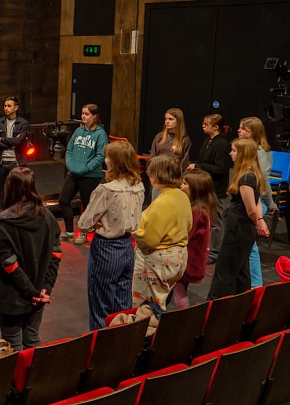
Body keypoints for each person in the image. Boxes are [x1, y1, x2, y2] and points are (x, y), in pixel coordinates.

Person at [0, 166, 62, 351]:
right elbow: (55, 255)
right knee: (32, 341)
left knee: (12, 346)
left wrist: (31, 292)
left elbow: (9, 264)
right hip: (39, 293)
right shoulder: (48, 217)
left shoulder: (5, 222)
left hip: (12, 297)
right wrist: (44, 289)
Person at [77, 140, 144, 330]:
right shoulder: (139, 187)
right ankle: (122, 343)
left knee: (101, 305)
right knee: (123, 304)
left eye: (107, 157)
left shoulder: (106, 190)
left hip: (106, 249)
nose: (105, 160)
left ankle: (101, 345)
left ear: (115, 162)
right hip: (127, 247)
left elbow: (83, 223)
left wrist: (95, 224)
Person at [209, 138, 271, 299]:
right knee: (241, 269)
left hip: (239, 226)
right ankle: (241, 301)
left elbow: (251, 209)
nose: (231, 153)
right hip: (243, 226)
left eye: (234, 151)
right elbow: (256, 202)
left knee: (225, 268)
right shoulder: (252, 174)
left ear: (243, 154)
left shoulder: (245, 178)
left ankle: (215, 304)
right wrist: (259, 221)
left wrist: (258, 222)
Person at [132, 154, 192, 308]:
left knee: (146, 308)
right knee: (159, 303)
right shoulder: (182, 196)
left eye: (151, 173)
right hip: (178, 257)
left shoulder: (163, 202)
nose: (149, 176)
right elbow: (188, 225)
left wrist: (133, 229)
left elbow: (149, 239)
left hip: (159, 261)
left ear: (158, 175)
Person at [59, 104, 109, 245]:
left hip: (90, 175)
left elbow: (100, 156)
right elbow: (69, 149)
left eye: (87, 114)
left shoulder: (100, 134)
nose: (83, 116)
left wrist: (86, 168)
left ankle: (83, 232)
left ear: (94, 116)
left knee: (86, 205)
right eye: (82, 113)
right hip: (73, 172)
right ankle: (69, 232)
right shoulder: (78, 131)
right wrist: (70, 164)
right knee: (63, 200)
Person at [170, 170, 219, 309]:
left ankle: (184, 317)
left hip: (188, 260)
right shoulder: (203, 208)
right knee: (178, 290)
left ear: (196, 189)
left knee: (179, 291)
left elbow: (185, 234)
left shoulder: (196, 211)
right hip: (193, 259)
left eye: (185, 183)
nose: (181, 186)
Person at [187, 114, 231, 263]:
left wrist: (199, 166)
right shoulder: (208, 141)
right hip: (205, 187)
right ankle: (203, 248)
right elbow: (202, 160)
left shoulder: (221, 144)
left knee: (216, 221)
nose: (203, 126)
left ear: (216, 127)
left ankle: (213, 253)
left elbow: (221, 168)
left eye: (206, 124)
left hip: (216, 189)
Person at [239, 116, 274, 287]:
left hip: (257, 202)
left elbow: (263, 183)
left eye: (243, 128)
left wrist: (271, 204)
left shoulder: (260, 153)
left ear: (253, 132)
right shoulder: (247, 149)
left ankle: (256, 284)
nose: (239, 131)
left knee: (250, 244)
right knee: (244, 243)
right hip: (247, 200)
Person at [0, 96, 30, 215]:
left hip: (16, 163)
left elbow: (18, 141)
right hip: (1, 162)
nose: (6, 108)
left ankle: (16, 214)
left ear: (16, 108)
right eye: (5, 106)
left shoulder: (23, 123)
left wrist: (2, 139)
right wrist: (11, 142)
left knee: (18, 190)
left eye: (9, 106)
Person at [149, 108, 191, 174]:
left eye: (170, 119)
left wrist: (175, 174)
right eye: (166, 119)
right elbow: (152, 157)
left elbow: (184, 162)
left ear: (178, 121)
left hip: (174, 174)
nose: (167, 122)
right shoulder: (159, 136)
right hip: (158, 172)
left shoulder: (184, 139)